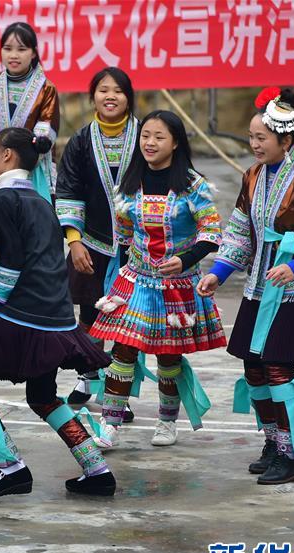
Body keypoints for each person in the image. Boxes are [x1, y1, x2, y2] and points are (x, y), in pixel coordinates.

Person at [0, 127, 115, 498]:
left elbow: (8, 267)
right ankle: (97, 470)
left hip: (23, 316)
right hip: (56, 316)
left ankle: (11, 467)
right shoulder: (39, 200)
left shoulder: (2, 201)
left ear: (7, 155)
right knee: (43, 396)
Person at [197, 88, 294, 485]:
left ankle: (290, 454)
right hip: (261, 284)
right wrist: (219, 272)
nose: (254, 144)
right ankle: (273, 441)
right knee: (253, 367)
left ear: (286, 140)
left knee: (277, 367)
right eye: (251, 137)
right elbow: (239, 232)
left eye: (261, 137)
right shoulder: (253, 176)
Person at [89, 110, 225, 449]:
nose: (150, 143)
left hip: (176, 286)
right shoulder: (130, 183)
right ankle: (110, 424)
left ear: (175, 142)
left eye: (159, 137)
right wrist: (120, 277)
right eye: (145, 136)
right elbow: (123, 234)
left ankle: (167, 421)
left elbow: (211, 234)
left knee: (168, 356)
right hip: (135, 280)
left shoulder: (194, 186)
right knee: (122, 350)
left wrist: (185, 260)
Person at [56, 67, 139, 414]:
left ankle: (117, 390)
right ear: (92, 98)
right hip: (93, 242)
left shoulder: (146, 137)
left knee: (128, 320)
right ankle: (88, 376)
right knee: (91, 312)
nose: (110, 96)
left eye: (118, 91)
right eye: (103, 90)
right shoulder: (80, 141)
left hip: (139, 247)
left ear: (129, 98)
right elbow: (68, 190)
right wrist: (75, 242)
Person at [0, 22, 59, 210]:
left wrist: (12, 160)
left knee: (32, 224)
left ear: (33, 53)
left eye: (21, 49)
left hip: (31, 173)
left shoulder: (46, 89)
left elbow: (44, 135)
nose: (13, 55)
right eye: (7, 49)